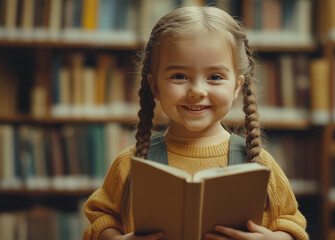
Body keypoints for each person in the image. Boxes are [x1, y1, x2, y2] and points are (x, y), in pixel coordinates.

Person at [83, 6, 308, 240]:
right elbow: (101, 219)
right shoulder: (129, 164)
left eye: (215, 77)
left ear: (237, 87)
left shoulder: (259, 164)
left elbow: (291, 225)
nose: (197, 91)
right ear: (155, 86)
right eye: (179, 76)